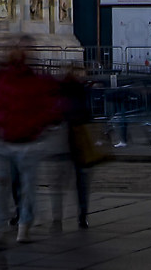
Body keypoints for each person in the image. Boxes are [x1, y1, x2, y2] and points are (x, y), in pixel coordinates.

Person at [0, 47, 60, 245]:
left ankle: (1, 229)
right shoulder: (33, 81)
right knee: (27, 188)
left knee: (3, 190)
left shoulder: (2, 81)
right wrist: (35, 127)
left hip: (7, 141)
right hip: (27, 142)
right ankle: (23, 228)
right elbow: (46, 109)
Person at [57, 66, 101, 230]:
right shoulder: (72, 89)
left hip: (76, 138)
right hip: (73, 137)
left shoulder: (78, 89)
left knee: (76, 180)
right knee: (76, 180)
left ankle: (76, 214)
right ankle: (79, 214)